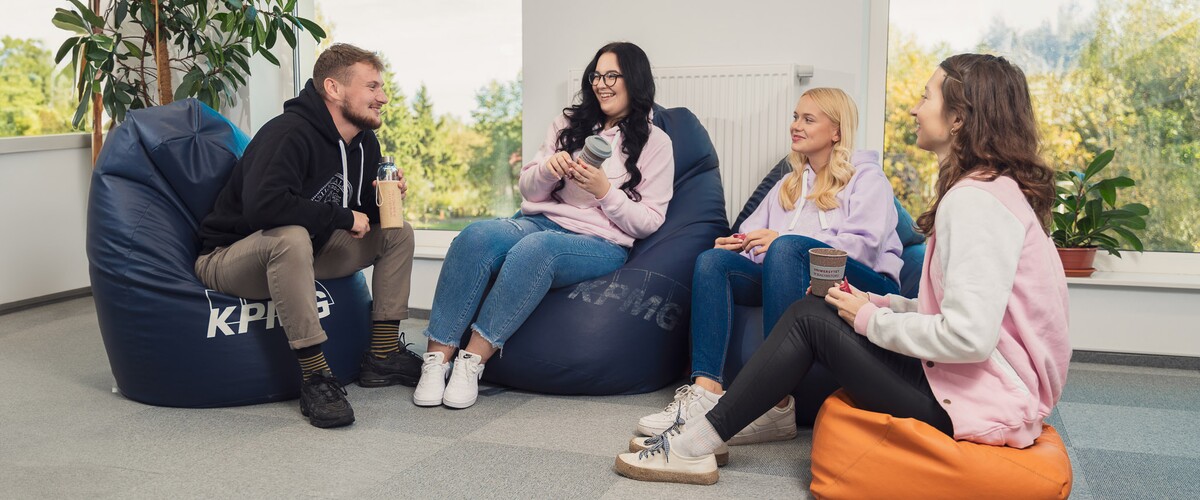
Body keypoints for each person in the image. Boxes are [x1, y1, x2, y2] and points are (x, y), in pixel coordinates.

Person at [615, 53, 1071, 485]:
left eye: (926, 97)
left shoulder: (976, 201)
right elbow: (954, 310)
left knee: (808, 319)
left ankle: (696, 444)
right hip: (968, 386)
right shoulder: (987, 192)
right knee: (808, 312)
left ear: (959, 118)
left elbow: (970, 337)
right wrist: (881, 303)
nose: (913, 110)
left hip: (972, 403)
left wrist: (873, 319)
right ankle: (705, 425)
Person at [413, 41, 674, 409]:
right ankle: (436, 361)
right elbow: (528, 188)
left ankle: (470, 363)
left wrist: (605, 192)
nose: (602, 84)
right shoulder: (567, 124)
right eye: (597, 75)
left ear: (634, 79)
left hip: (599, 243)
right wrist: (546, 172)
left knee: (536, 251)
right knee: (474, 236)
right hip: (540, 220)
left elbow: (649, 221)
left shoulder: (657, 142)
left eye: (612, 75)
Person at [636, 88, 903, 447]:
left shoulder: (867, 179)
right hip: (789, 273)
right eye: (795, 117)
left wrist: (784, 242)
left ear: (836, 130)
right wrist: (737, 245)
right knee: (713, 261)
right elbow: (752, 236)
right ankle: (706, 393)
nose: (796, 126)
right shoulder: (789, 183)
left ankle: (775, 403)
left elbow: (865, 249)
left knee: (786, 247)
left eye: (808, 119)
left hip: (859, 282)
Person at [195, 43, 421, 429]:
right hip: (231, 256)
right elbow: (263, 208)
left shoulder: (364, 143)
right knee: (290, 236)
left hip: (308, 253)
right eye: (371, 87)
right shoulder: (288, 133)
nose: (382, 97)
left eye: (381, 88)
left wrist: (385, 197)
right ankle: (316, 377)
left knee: (398, 234)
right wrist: (342, 215)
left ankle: (383, 356)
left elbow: (360, 211)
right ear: (333, 88)